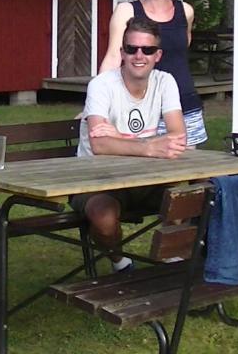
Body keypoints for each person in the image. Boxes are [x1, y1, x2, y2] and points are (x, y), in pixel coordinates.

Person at [73, 16, 188, 273]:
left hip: (146, 177)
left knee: (197, 196)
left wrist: (122, 139)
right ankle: (121, 263)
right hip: (96, 178)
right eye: (132, 49)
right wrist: (148, 147)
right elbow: (100, 145)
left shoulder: (165, 81)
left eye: (147, 50)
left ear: (157, 55)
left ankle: (174, 263)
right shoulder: (101, 85)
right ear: (121, 52)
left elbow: (178, 137)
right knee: (103, 218)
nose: (139, 55)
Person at [100, 0, 208, 147]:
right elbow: (114, 58)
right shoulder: (126, 11)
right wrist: (96, 104)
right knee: (141, 169)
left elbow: (182, 50)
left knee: (187, 171)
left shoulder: (185, 11)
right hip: (141, 107)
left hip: (184, 106)